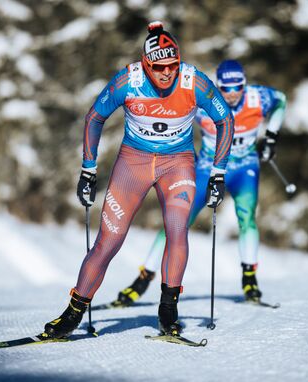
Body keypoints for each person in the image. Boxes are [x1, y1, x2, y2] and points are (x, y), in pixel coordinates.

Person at [42, 22, 234, 339]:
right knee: (108, 242)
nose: (166, 73)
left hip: (178, 164)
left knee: (176, 231)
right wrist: (88, 170)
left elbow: (224, 119)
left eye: (172, 66)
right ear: (146, 64)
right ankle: (73, 314)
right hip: (134, 163)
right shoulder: (128, 81)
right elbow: (94, 117)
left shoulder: (192, 81)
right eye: (158, 67)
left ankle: (168, 310)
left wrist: (218, 172)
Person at [113, 59, 287, 307]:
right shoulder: (205, 103)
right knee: (176, 221)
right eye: (225, 88)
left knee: (246, 216)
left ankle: (250, 279)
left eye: (238, 86)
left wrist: (271, 136)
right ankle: (142, 279)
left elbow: (281, 100)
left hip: (244, 167)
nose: (232, 93)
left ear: (245, 83)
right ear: (218, 86)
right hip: (207, 169)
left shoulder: (258, 98)